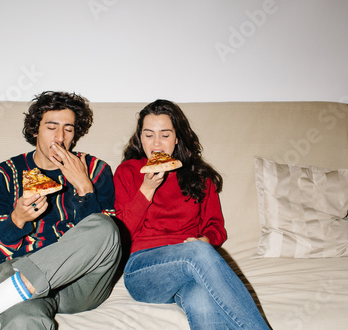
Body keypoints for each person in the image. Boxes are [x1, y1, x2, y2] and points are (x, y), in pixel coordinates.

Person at [0, 91, 121, 330]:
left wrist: (84, 188)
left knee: (105, 227)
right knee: (23, 320)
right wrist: (17, 220)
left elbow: (105, 241)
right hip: (18, 271)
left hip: (81, 284)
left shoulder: (95, 169)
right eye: (51, 127)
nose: (60, 138)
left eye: (68, 129)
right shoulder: (4, 174)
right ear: (35, 130)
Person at [113, 99, 270, 329]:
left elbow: (215, 226)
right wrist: (146, 189)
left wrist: (205, 240)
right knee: (197, 252)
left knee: (201, 299)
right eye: (148, 135)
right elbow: (121, 233)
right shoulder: (128, 171)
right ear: (140, 138)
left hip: (190, 269)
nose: (156, 143)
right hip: (143, 271)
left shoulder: (199, 175)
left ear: (177, 138)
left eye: (165, 135)